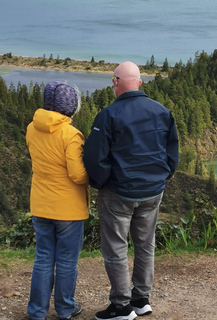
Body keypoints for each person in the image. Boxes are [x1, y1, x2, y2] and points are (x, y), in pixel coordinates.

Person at [83, 61, 179, 320]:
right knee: (145, 244)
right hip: (152, 191)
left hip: (119, 192)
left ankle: (121, 306)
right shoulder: (162, 112)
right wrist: (161, 178)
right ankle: (141, 299)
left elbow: (94, 157)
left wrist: (102, 182)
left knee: (116, 247)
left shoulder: (108, 115)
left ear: (115, 82)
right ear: (139, 82)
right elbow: (172, 154)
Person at [26, 81, 89, 320]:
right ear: (71, 106)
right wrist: (94, 174)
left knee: (43, 257)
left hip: (40, 204)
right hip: (68, 209)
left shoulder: (32, 128)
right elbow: (77, 174)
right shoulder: (71, 134)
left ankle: (37, 312)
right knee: (66, 261)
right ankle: (65, 309)